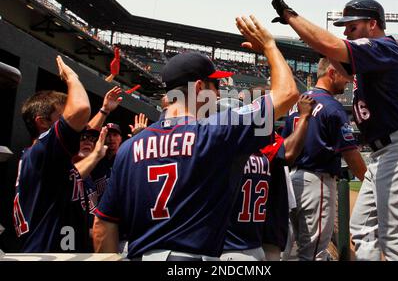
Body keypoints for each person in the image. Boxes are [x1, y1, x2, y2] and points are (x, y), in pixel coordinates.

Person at [92, 15, 300, 260]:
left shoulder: (128, 148)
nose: (219, 94)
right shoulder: (216, 131)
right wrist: (269, 46)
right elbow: (287, 93)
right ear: (199, 88)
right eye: (216, 86)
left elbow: (102, 227)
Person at [267, 0, 398, 261]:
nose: (346, 32)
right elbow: (329, 51)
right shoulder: (371, 57)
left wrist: (290, 16)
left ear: (372, 24)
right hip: (384, 152)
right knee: (363, 228)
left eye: (352, 26)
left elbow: (329, 44)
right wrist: (270, 46)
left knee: (397, 242)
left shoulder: (384, 47)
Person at [282, 58, 366, 261]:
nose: (347, 81)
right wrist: (369, 181)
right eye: (345, 76)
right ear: (331, 73)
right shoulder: (332, 107)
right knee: (314, 253)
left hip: (292, 183)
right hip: (316, 183)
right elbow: (350, 153)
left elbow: (284, 145)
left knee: (293, 249)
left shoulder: (297, 104)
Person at [221, 94, 315, 261]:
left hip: (251, 233)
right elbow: (289, 153)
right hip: (258, 233)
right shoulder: (256, 142)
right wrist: (304, 117)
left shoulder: (218, 150)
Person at [13, 56, 91, 252]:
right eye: (61, 117)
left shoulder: (42, 156)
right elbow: (81, 109)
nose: (67, 122)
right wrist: (72, 77)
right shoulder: (43, 150)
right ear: (42, 122)